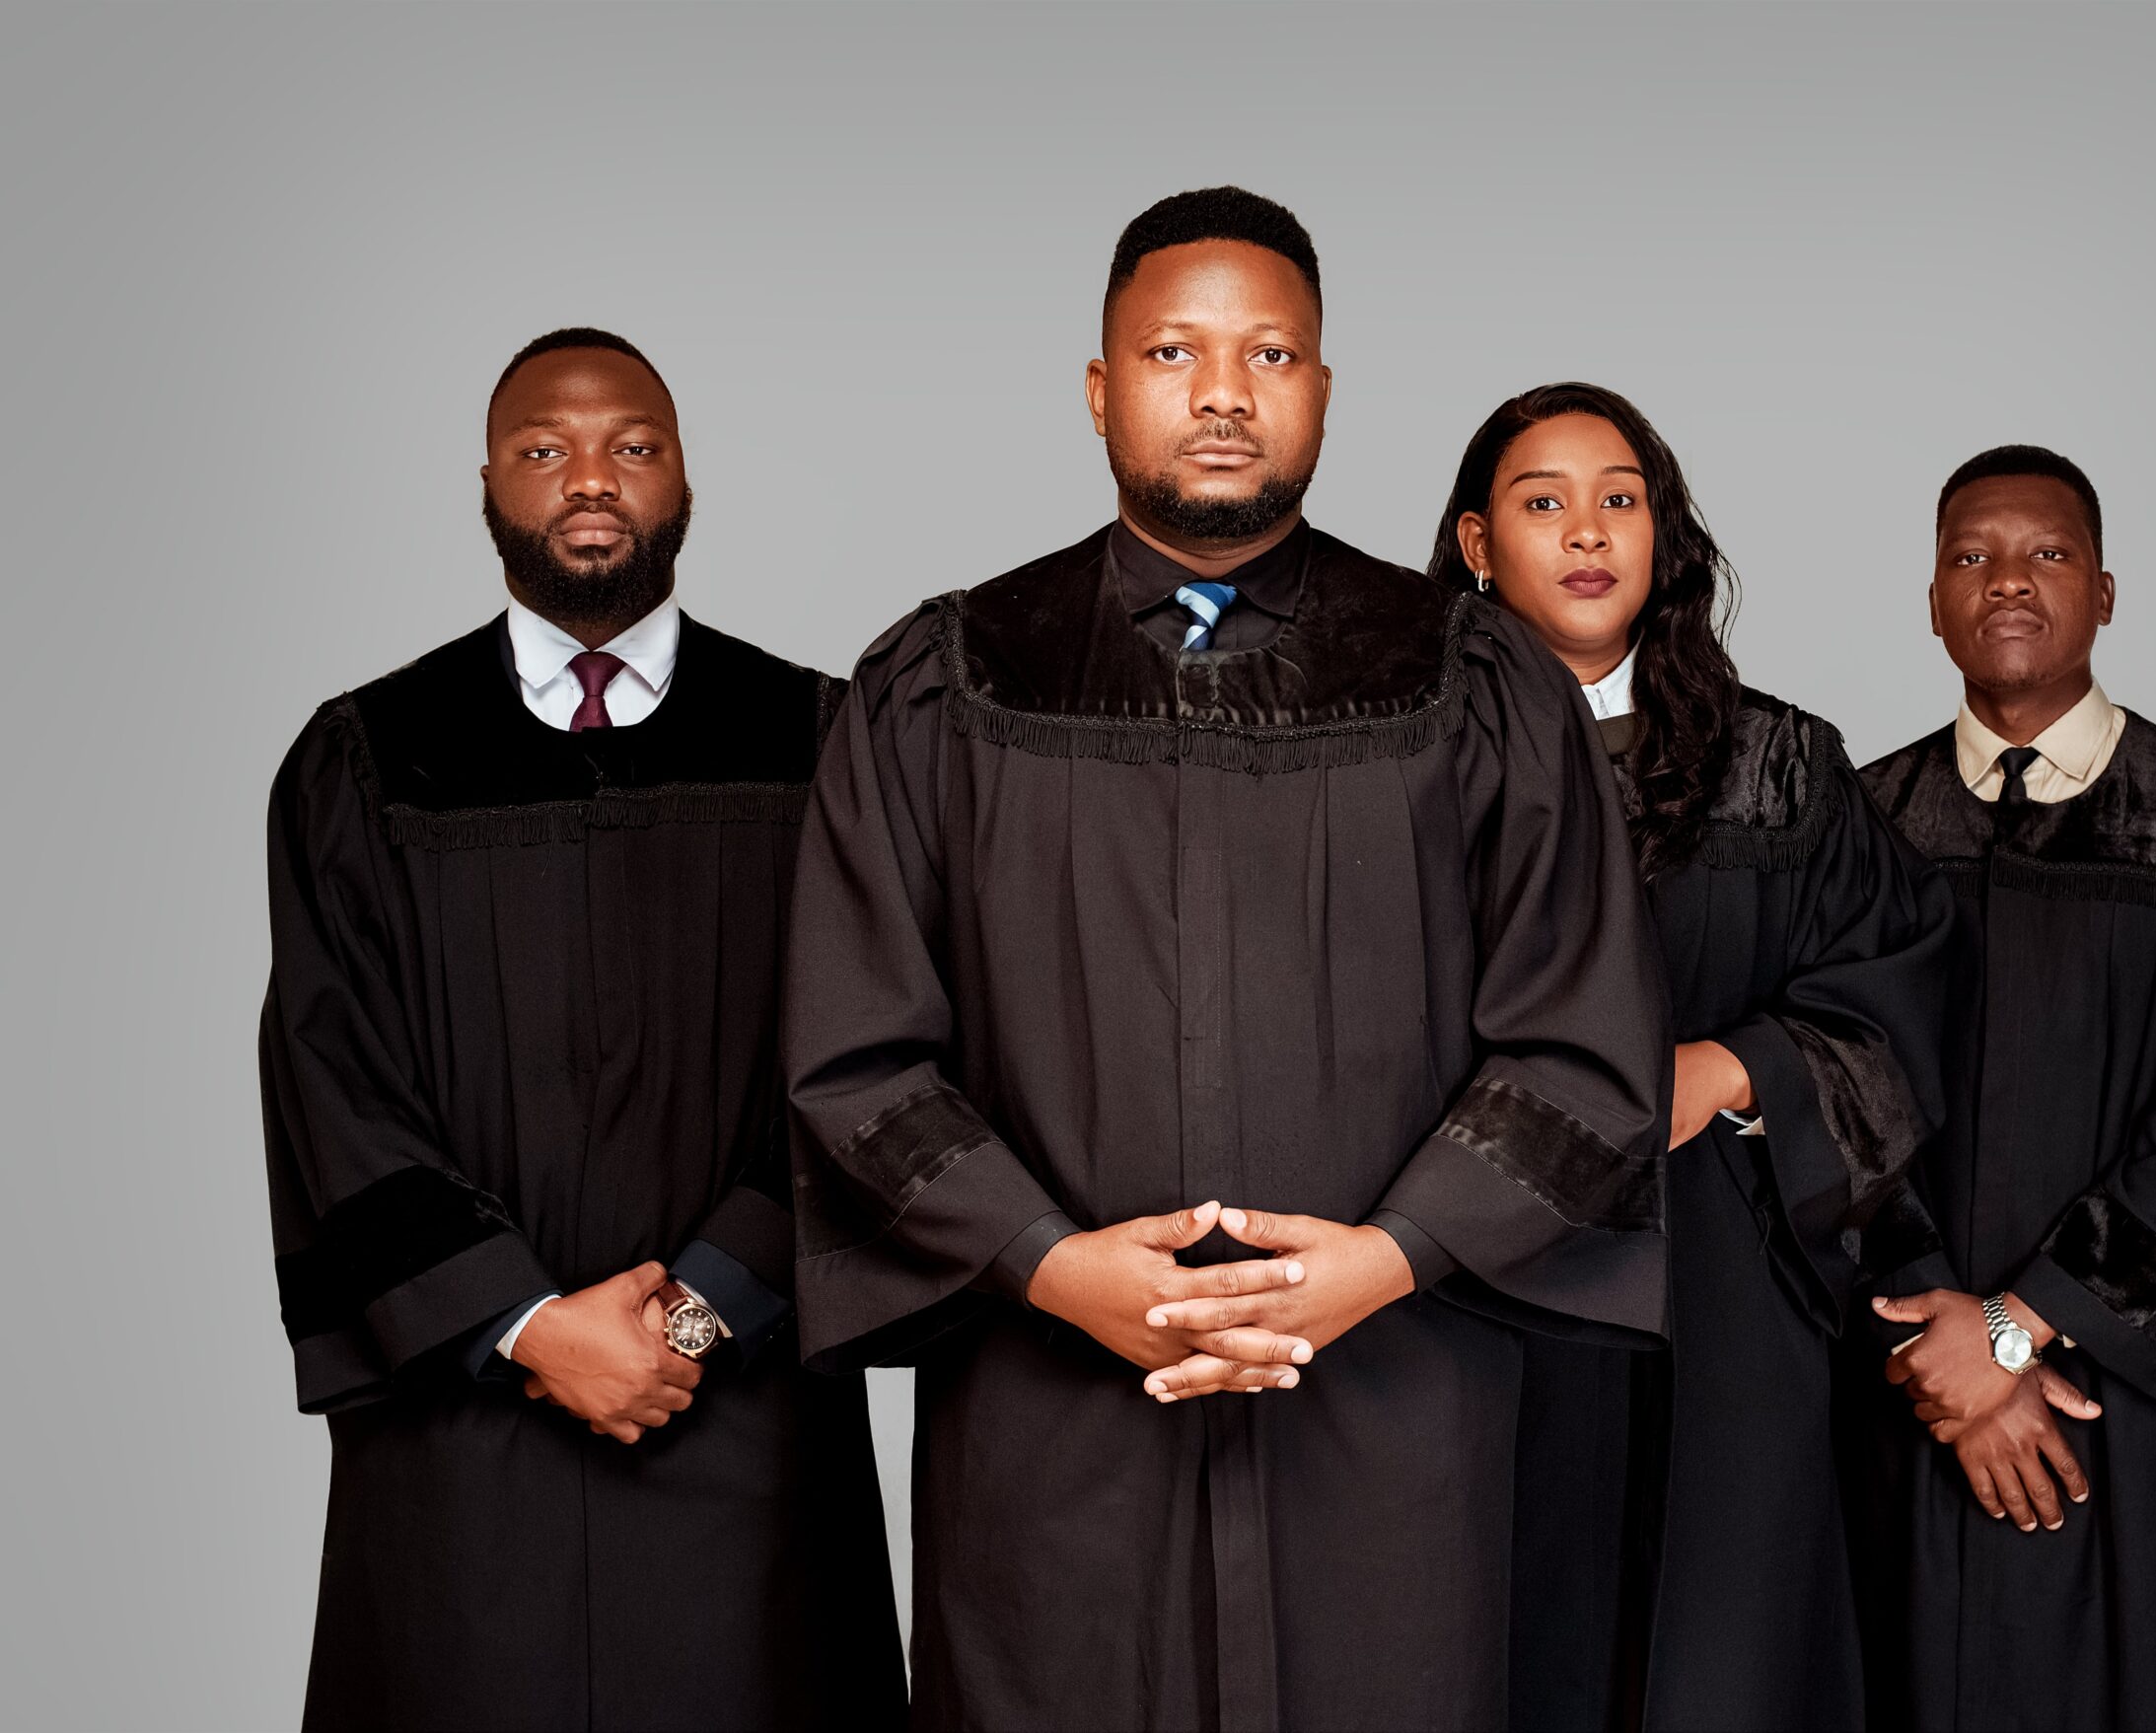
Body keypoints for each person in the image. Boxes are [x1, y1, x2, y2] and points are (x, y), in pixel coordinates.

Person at [784, 189, 1669, 1732]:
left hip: (1387, 1411)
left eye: (1268, 353)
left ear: (1322, 387)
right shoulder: (952, 680)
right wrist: (1053, 1265)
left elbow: (1581, 1040)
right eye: (1171, 352)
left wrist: (1382, 1261)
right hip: (1054, 1422)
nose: (1221, 393)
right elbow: (856, 1054)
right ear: (1098, 386)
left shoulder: (1466, 678)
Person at [257, 329, 904, 1730]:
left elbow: (868, 1065)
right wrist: (528, 1323)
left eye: (632, 445)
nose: (590, 477)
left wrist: (694, 1315)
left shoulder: (825, 745)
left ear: (684, 482)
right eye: (545, 448)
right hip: (466, 1427)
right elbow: (329, 1083)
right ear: (490, 485)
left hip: (742, 1417)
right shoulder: (367, 760)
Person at [1430, 384, 1966, 1731]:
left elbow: (1898, 992)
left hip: (1722, 1291)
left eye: (1621, 499)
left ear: (1661, 533)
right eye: (1543, 502)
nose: (1588, 531)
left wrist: (1732, 1069)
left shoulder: (1777, 764)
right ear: (1479, 543)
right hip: (1476, 1288)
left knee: (1721, 1655)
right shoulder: (1404, 766)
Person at [1850, 445, 2156, 1732]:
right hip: (1912, 1399)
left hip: (2118, 1407)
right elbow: (1828, 1108)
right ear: (1933, 600)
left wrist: (2015, 1326)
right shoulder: (1859, 829)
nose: (2008, 580)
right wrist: (1938, 1342)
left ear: (2104, 593)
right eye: (1973, 556)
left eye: (2046, 553)